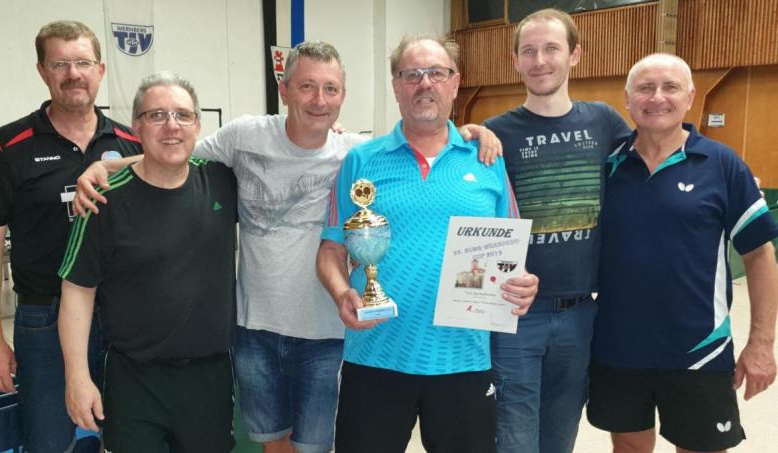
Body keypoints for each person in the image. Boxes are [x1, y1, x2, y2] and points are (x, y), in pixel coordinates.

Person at [72, 40, 502, 453]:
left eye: (330, 88)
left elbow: (426, 137)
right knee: (271, 441)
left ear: (342, 96)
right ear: (284, 89)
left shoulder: (356, 152)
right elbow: (172, 151)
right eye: (306, 86)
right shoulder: (244, 137)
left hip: (327, 332)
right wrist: (105, 165)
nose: (318, 99)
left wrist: (468, 132)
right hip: (256, 327)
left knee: (315, 445)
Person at [316, 35, 539, 453]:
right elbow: (331, 249)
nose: (424, 84)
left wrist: (521, 282)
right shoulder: (361, 161)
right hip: (376, 355)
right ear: (396, 86)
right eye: (411, 74)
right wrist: (341, 291)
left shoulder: (487, 158)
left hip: (464, 360)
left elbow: (511, 251)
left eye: (436, 73)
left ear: (455, 83)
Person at [588, 53, 778, 453]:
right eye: (645, 87)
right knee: (628, 446)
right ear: (627, 99)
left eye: (670, 87)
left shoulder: (723, 164)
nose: (657, 97)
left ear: (690, 96)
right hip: (618, 346)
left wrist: (761, 343)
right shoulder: (607, 166)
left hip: (699, 351)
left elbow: (759, 255)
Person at [0, 20, 142, 452]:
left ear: (101, 70)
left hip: (125, 319)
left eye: (83, 62)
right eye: (61, 63)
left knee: (129, 436)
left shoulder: (129, 143)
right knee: (51, 441)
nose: (73, 74)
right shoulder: (6, 146)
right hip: (43, 321)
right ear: (42, 71)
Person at [58, 71, 238, 452]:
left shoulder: (222, 181)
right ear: (136, 127)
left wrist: (329, 132)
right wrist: (77, 376)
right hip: (134, 381)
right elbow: (76, 290)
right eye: (156, 116)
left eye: (182, 115)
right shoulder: (102, 203)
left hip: (210, 378)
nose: (171, 125)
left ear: (198, 126)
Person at [483, 9, 630, 453]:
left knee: (560, 437)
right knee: (514, 437)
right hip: (514, 314)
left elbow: (651, 163)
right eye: (529, 51)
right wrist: (467, 131)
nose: (540, 60)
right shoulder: (495, 133)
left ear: (575, 55)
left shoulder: (605, 123)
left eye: (551, 49)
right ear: (515, 61)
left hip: (581, 314)